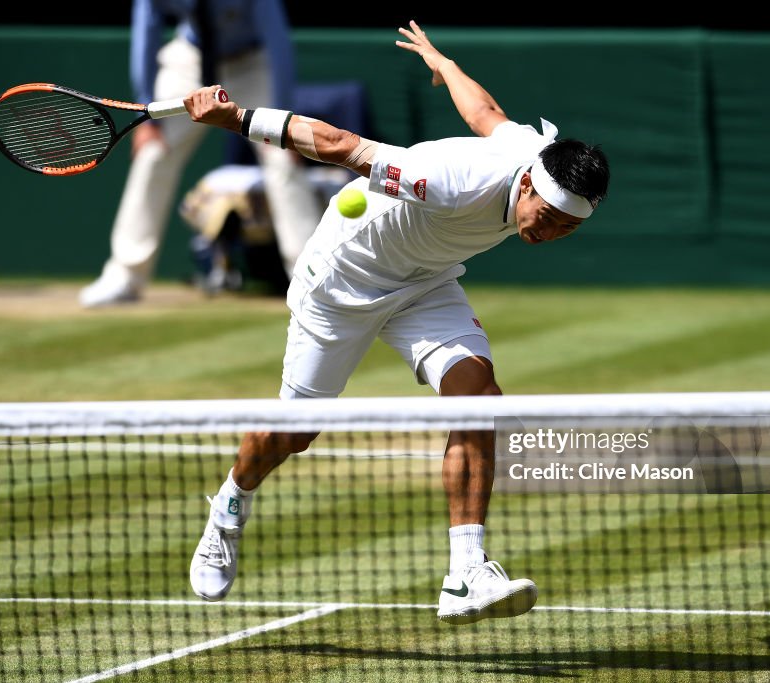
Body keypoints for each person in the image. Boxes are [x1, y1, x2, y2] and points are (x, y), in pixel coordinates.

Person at [185, 21, 610, 624]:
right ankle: (229, 507)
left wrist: (445, 64)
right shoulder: (446, 183)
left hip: (424, 283)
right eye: (546, 217)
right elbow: (335, 143)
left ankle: (465, 572)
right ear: (528, 185)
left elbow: (485, 111)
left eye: (567, 229)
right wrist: (236, 119)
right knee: (296, 432)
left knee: (477, 398)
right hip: (342, 283)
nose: (548, 233)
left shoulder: (530, 157)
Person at [80, 0, 321, 308]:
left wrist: (285, 119)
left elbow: (277, 40)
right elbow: (146, 31)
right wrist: (145, 104)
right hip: (190, 61)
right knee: (152, 153)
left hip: (252, 63)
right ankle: (125, 275)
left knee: (283, 160)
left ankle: (311, 279)